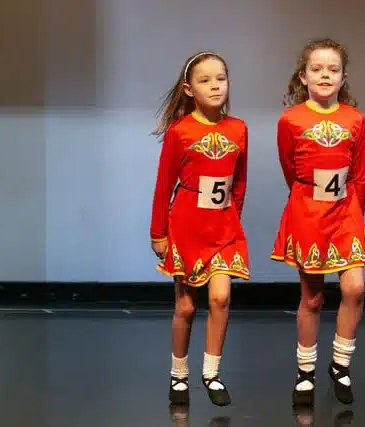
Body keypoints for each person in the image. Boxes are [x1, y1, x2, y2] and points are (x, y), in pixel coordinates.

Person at [270, 38, 365, 407]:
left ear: (343, 77)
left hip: (346, 212)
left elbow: (359, 173)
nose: (325, 75)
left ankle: (341, 364)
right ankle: (305, 371)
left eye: (332, 69)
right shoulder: (290, 120)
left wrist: (357, 216)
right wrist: (306, 201)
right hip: (309, 213)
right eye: (317, 69)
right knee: (311, 297)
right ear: (303, 76)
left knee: (354, 289)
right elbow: (290, 169)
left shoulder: (355, 120)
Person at [150, 51, 250, 407]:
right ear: (189, 89)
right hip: (188, 226)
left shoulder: (238, 128)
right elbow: (164, 185)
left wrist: (233, 217)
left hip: (223, 228)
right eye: (205, 80)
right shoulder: (180, 132)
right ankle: (179, 374)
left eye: (220, 78)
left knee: (221, 298)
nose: (215, 86)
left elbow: (239, 182)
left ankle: (212, 373)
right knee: (187, 307)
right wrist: (158, 233)